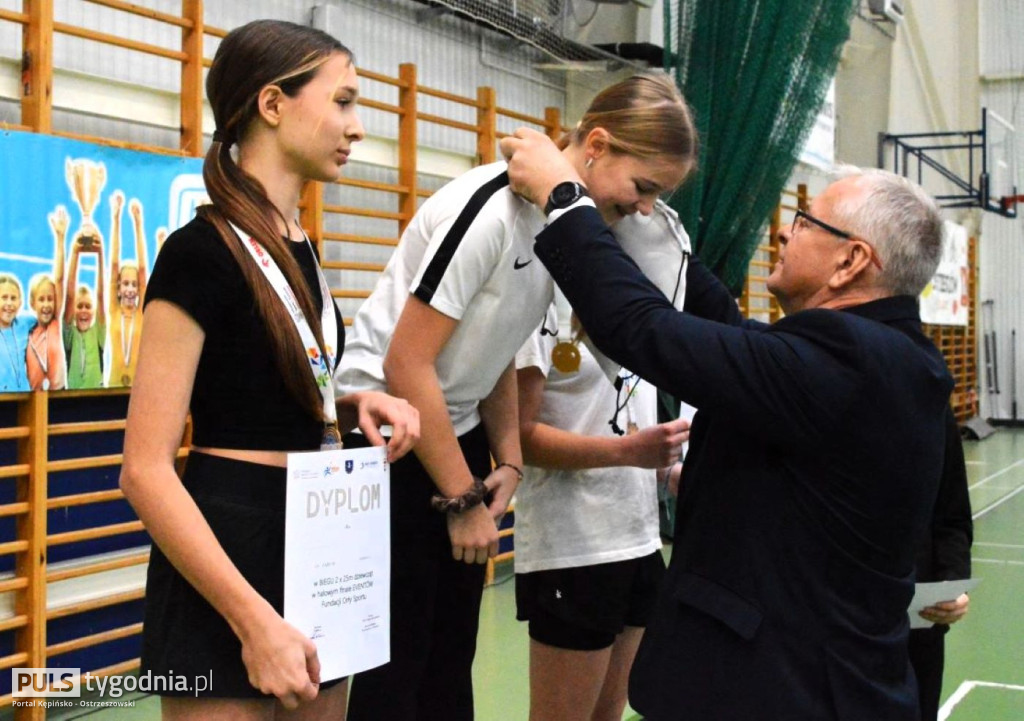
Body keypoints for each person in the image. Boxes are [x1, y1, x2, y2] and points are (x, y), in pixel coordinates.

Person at [501, 127, 953, 721]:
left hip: (784, 691)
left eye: (806, 222)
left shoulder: (847, 358)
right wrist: (652, 232)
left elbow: (646, 331)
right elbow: (732, 335)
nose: (787, 231)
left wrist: (564, 197)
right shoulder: (895, 354)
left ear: (850, 261)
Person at [337, 73, 696, 721]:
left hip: (455, 432)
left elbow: (500, 347)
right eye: (643, 188)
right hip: (387, 438)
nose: (646, 209)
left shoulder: (559, 226)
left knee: (450, 663)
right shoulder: (490, 210)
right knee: (398, 668)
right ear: (596, 144)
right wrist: (462, 496)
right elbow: (406, 363)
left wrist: (507, 459)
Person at [119, 19, 419, 720]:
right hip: (227, 547)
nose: (358, 126)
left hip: (320, 539)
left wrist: (351, 408)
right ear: (272, 104)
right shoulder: (198, 253)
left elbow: (263, 393)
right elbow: (145, 467)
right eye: (342, 101)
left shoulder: (302, 249)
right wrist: (251, 619)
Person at [513, 200, 694, 721]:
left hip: (636, 539)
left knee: (608, 715)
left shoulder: (629, 306)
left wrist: (665, 468)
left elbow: (622, 416)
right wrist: (627, 453)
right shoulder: (538, 302)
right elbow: (520, 436)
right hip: (573, 546)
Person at [910, 408, 973, 721]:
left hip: (919, 624)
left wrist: (953, 583)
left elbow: (952, 516)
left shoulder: (931, 406)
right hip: (834, 627)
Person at [63, 203, 108, 389]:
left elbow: (100, 295)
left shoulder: (98, 333)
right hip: (70, 397)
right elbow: (70, 295)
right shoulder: (70, 335)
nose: (83, 310)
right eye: (80, 306)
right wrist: (74, 253)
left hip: (96, 396)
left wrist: (100, 255)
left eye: (87, 306)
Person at [26, 207, 69, 391]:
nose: (46, 305)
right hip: (33, 400)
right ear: (32, 303)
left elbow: (58, 279)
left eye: (50, 299)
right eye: (41, 300)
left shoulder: (55, 325)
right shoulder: (26, 333)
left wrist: (60, 239)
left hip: (59, 398)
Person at [107, 192, 146, 387]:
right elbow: (114, 265)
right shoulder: (114, 311)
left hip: (136, 390)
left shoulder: (141, 313)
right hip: (111, 388)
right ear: (119, 288)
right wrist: (116, 218)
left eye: (134, 285)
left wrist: (138, 224)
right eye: (125, 284)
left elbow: (143, 270)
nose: (130, 289)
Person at [0, 273, 32, 392]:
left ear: (20, 303)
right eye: (4, 297)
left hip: (24, 399)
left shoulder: (25, 324)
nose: (9, 303)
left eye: (13, 298)